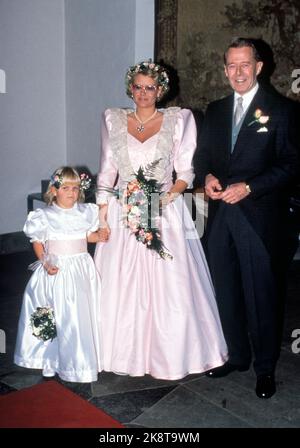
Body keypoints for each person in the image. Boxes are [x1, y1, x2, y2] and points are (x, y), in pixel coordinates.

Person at [94, 60, 228, 380]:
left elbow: (185, 172)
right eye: (138, 87)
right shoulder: (112, 119)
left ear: (161, 90)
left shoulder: (179, 119)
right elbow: (107, 172)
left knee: (172, 287)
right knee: (120, 287)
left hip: (165, 210)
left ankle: (172, 354)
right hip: (123, 211)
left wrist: (167, 197)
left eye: (150, 87)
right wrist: (102, 217)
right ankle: (120, 353)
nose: (143, 93)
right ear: (131, 88)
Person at [194, 38, 298, 398]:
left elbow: (292, 165)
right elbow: (202, 156)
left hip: (260, 219)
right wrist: (205, 176)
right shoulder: (216, 109)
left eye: (245, 65)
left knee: (262, 296)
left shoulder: (282, 110)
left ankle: (265, 369)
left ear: (258, 67)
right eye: (231, 66)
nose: (238, 72)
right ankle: (236, 355)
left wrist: (251, 187)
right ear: (225, 70)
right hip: (222, 216)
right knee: (224, 289)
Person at [14, 166, 105, 383]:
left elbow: (87, 236)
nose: (71, 193)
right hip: (57, 269)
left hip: (81, 268)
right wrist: (45, 261)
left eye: (75, 188)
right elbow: (37, 241)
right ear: (54, 190)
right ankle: (51, 359)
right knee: (59, 315)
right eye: (65, 188)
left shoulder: (86, 211)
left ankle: (80, 362)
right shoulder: (44, 215)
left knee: (79, 314)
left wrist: (99, 236)